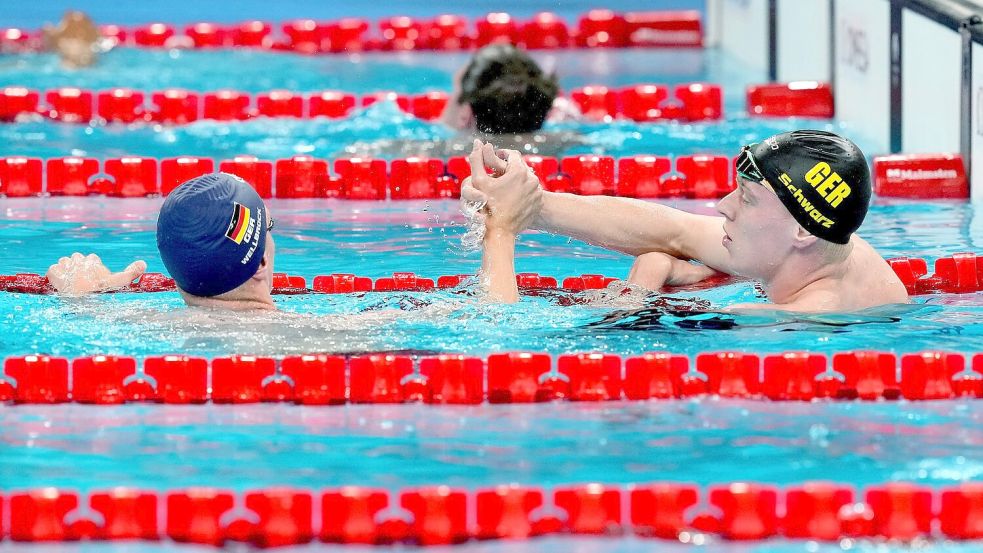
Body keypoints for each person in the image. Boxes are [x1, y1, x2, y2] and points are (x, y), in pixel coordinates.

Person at [466, 130, 910, 312]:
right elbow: (672, 230)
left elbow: (499, 345)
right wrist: (528, 203)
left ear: (800, 228)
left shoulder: (802, 319)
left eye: (748, 199)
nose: (723, 206)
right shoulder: (820, 246)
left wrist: (641, 303)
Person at [47, 173, 276, 310]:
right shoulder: (303, 336)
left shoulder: (134, 324)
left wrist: (80, 295)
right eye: (270, 225)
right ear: (260, 263)